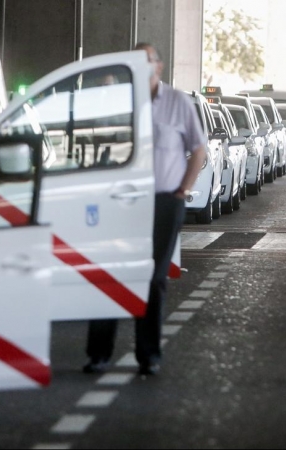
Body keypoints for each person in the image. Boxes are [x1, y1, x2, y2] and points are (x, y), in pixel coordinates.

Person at [83, 43, 207, 377]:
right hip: (120, 203)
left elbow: (198, 150)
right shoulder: (118, 101)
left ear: (159, 67)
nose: (141, 66)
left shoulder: (179, 103)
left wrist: (184, 189)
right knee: (109, 274)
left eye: (146, 61)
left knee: (153, 279)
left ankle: (148, 355)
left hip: (164, 202)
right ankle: (99, 354)